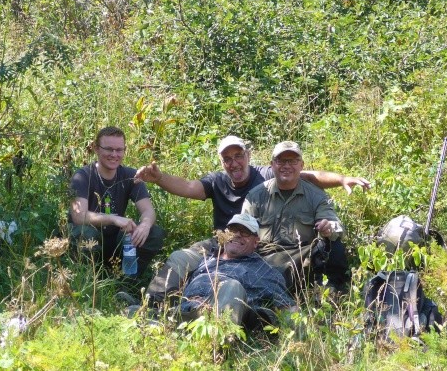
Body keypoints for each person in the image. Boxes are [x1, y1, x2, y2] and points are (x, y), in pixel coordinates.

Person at [138, 135, 368, 302]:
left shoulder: (287, 182)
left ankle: (331, 299)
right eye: (227, 158)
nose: (234, 162)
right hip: (238, 245)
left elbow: (312, 181)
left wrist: (340, 183)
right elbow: (190, 188)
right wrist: (159, 178)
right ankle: (153, 304)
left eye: (238, 155)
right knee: (186, 258)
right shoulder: (231, 185)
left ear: (248, 156)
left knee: (329, 247)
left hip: (277, 250)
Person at [241, 141, 347, 293]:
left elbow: (334, 223)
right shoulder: (256, 195)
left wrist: (328, 228)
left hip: (303, 259)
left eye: (293, 161)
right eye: (281, 161)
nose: (286, 166)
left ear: (302, 165)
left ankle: (332, 291)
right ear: (272, 165)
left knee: (333, 245)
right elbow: (241, 229)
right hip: (265, 259)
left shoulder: (316, 195)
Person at [69, 127, 166, 278]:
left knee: (154, 233)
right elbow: (78, 216)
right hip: (90, 243)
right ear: (96, 148)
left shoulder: (130, 175)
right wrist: (114, 218)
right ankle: (88, 280)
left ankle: (128, 282)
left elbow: (148, 211)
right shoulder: (83, 176)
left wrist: (145, 225)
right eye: (109, 149)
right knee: (86, 233)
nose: (114, 155)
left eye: (119, 150)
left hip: (116, 240)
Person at [179, 213, 295, 329]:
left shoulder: (263, 270)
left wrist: (301, 335)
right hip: (185, 314)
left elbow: (286, 306)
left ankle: (219, 344)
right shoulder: (208, 258)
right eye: (233, 230)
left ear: (256, 242)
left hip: (218, 318)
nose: (237, 235)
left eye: (245, 232)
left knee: (232, 286)